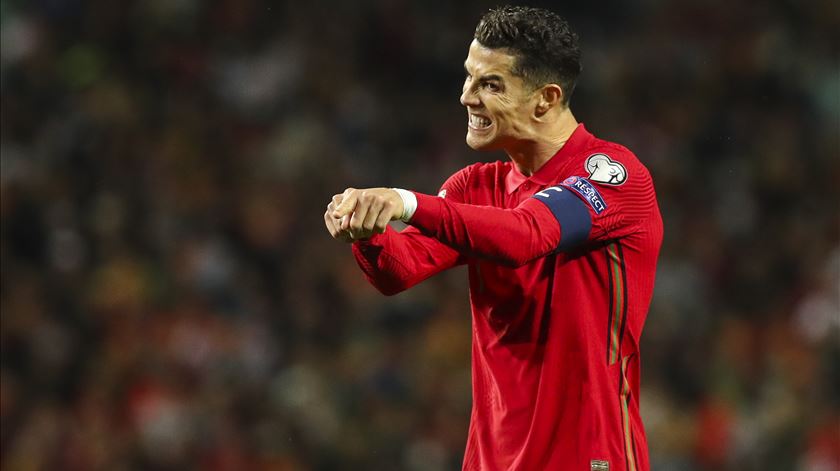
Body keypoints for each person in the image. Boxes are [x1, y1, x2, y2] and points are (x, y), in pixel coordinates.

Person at [324, 6, 662, 470]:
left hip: (587, 453)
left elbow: (527, 235)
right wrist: (368, 233)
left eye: (490, 85)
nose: (466, 96)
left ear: (545, 98)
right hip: (492, 459)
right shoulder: (475, 186)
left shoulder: (612, 175)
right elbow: (399, 272)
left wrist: (405, 202)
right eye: (469, 78)